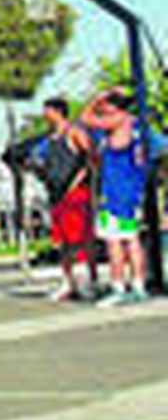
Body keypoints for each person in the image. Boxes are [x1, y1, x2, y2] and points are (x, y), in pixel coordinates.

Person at [14, 97, 95, 301]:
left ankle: (86, 283)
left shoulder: (74, 132)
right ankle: (68, 283)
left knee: (80, 239)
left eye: (47, 110)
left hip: (75, 193)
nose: (44, 115)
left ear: (57, 111)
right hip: (55, 193)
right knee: (64, 241)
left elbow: (91, 158)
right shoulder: (48, 140)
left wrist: (78, 181)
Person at [80, 88, 151, 304]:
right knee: (131, 239)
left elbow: (85, 118)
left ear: (114, 106)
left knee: (114, 241)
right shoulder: (136, 123)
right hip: (131, 187)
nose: (102, 108)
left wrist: (97, 97)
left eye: (105, 104)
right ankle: (138, 285)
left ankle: (118, 286)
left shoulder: (118, 121)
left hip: (116, 191)